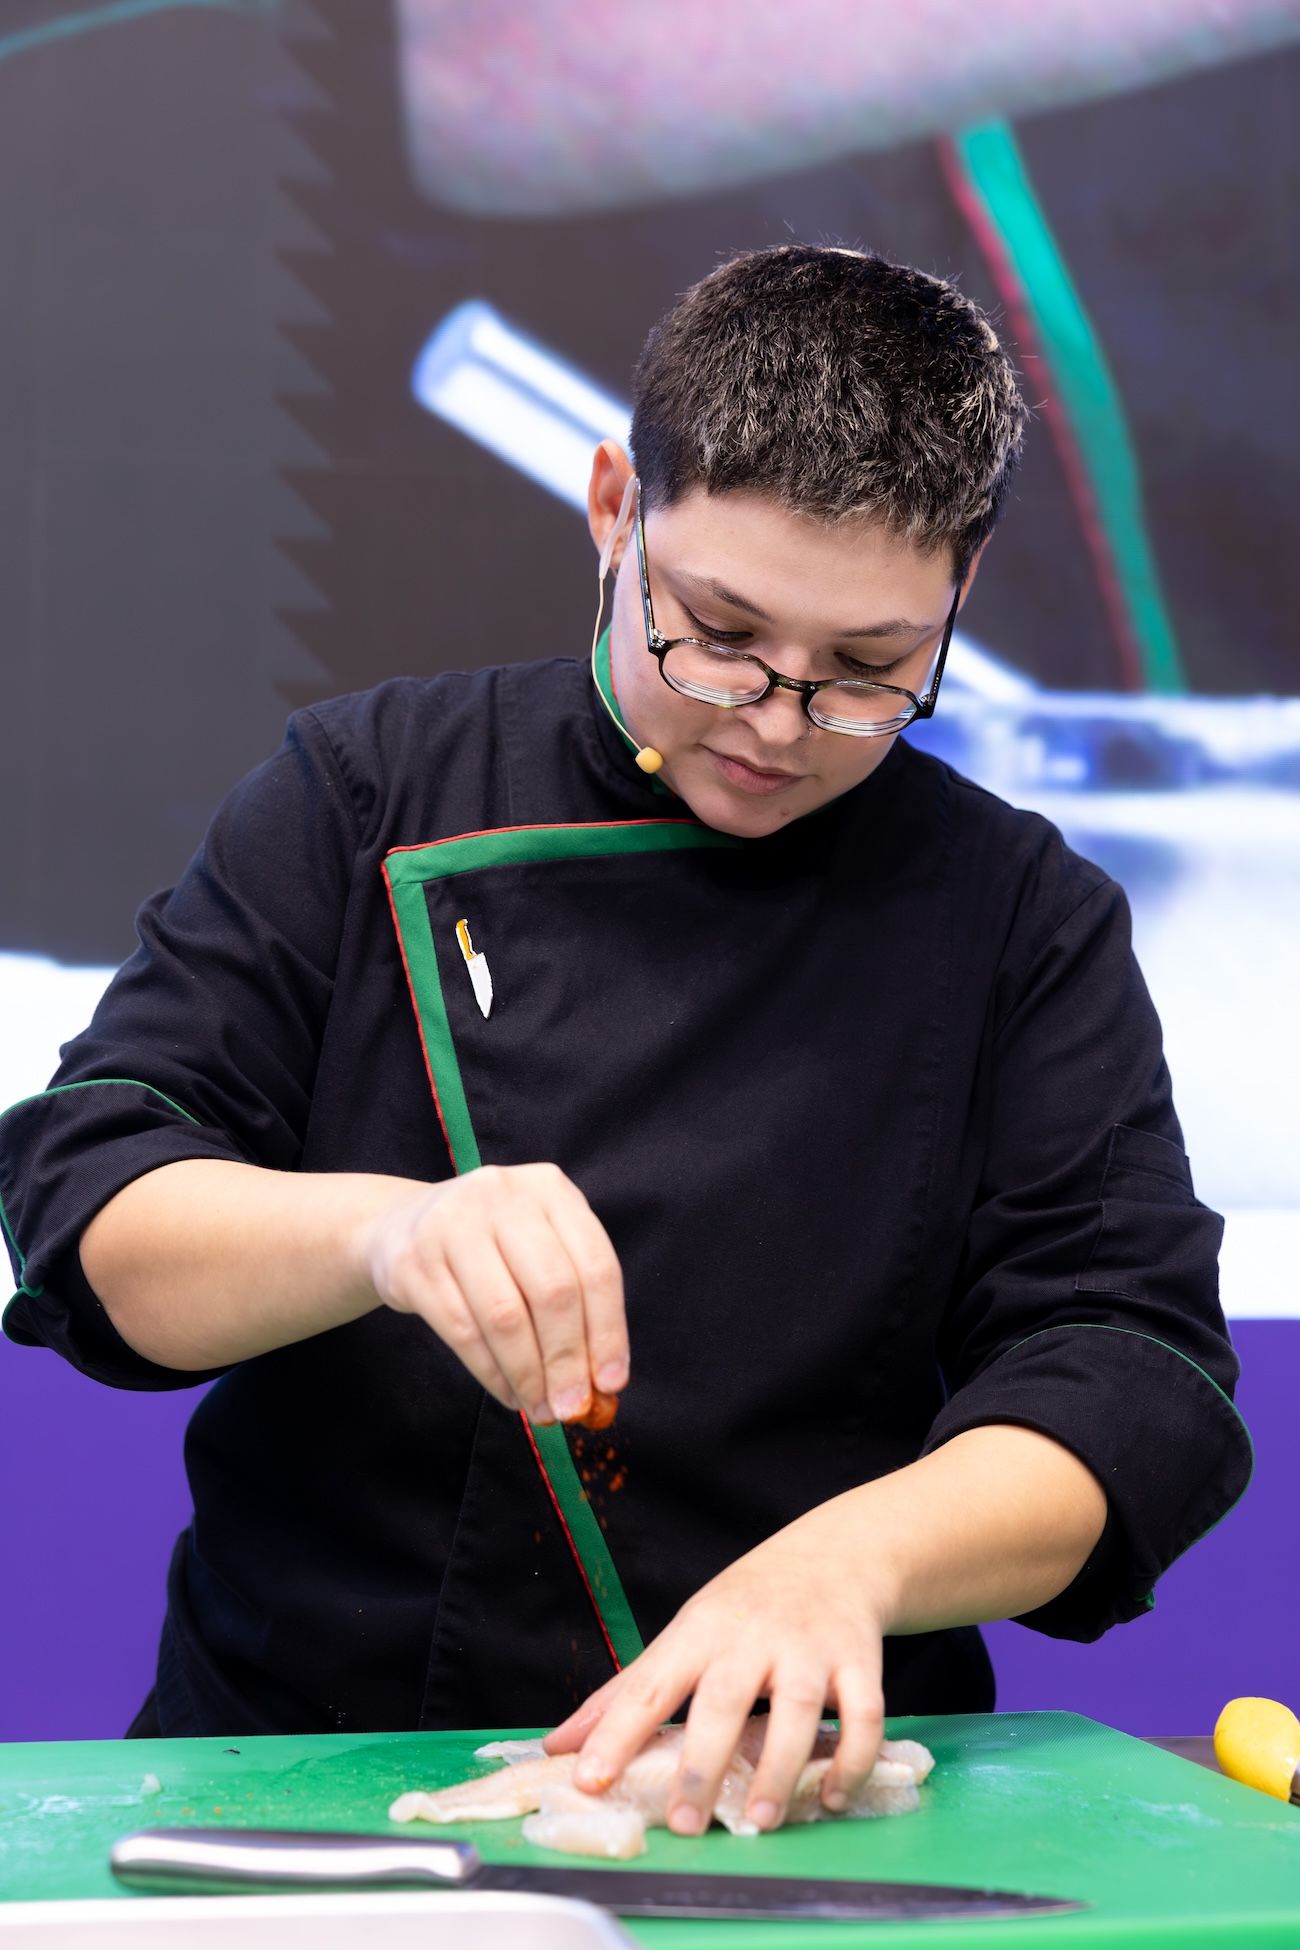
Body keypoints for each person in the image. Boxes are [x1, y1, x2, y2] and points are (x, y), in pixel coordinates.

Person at [0, 245, 1249, 1837]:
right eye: (720, 631)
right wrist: (388, 1230)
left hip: (797, 1804)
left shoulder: (1019, 917)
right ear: (612, 509)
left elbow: (1133, 1371)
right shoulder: (367, 792)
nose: (776, 722)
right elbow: (95, 1205)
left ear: (960, 594)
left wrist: (849, 1563)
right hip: (308, 1777)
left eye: (869, 670)